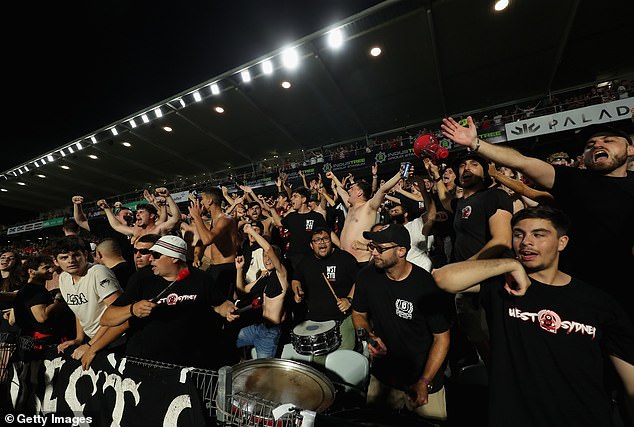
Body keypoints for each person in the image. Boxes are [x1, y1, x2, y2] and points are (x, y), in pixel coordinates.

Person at [432, 206, 634, 427]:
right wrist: (508, 263)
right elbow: (443, 278)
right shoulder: (503, 285)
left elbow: (631, 386)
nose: (526, 242)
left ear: (562, 242)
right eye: (519, 234)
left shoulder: (599, 303)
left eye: (539, 235)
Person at [441, 118, 634, 320]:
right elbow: (521, 162)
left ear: (630, 149)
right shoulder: (572, 179)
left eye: (608, 141)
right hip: (581, 292)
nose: (598, 145)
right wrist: (475, 143)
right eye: (590, 145)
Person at [351, 224, 452, 423]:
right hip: (383, 379)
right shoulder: (366, 277)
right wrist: (368, 337)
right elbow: (358, 313)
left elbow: (442, 338)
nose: (373, 251)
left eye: (380, 248)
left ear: (401, 251)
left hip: (422, 381)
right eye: (372, 246)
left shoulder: (425, 286)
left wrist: (424, 381)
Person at [100, 235, 239, 368]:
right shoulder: (142, 279)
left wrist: (228, 309)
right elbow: (107, 318)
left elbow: (220, 304)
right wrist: (132, 309)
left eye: (156, 255)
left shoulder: (201, 279)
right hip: (147, 363)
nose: (151, 259)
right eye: (151, 254)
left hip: (188, 365)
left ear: (174, 258)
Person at [53, 236, 127, 370]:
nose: (71, 261)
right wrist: (78, 339)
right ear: (56, 261)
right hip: (93, 339)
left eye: (76, 255)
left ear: (85, 255)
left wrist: (90, 345)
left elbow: (118, 312)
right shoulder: (63, 278)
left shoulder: (98, 272)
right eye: (64, 257)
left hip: (114, 340)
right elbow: (79, 309)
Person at [292, 226, 359, 362]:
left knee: (343, 357)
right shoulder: (306, 261)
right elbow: (296, 278)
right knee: (320, 364)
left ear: (331, 241)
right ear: (311, 245)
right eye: (317, 240)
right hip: (318, 322)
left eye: (325, 239)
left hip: (342, 318)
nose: (322, 243)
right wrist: (297, 290)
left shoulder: (344, 257)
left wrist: (349, 300)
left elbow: (360, 281)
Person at [327, 166, 404, 264]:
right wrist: (333, 177)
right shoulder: (350, 207)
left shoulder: (368, 207)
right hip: (344, 261)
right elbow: (341, 191)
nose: (349, 191)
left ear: (359, 192)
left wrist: (400, 174)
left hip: (360, 261)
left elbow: (383, 190)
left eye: (352, 188)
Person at [234, 224, 288, 359]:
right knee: (232, 341)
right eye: (264, 257)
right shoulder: (265, 277)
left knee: (264, 371)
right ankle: (243, 363)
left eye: (270, 257)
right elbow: (242, 290)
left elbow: (268, 248)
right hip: (259, 327)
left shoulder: (281, 274)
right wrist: (239, 269)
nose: (267, 259)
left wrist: (251, 230)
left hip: (271, 332)